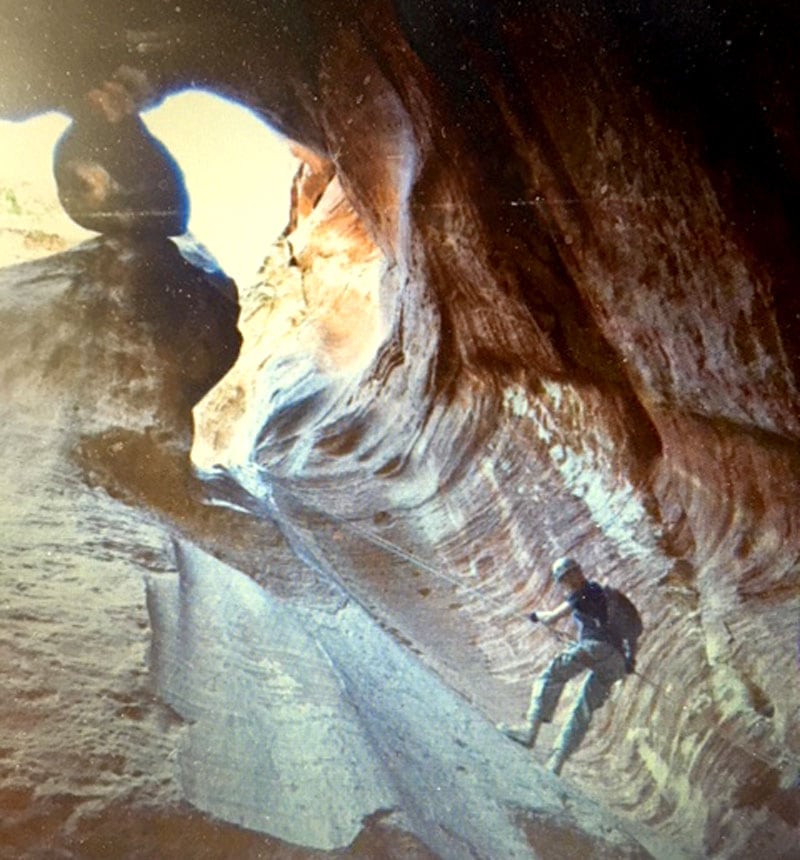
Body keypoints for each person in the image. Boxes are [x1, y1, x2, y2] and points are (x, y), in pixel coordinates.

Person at [498, 556, 640, 775]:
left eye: (566, 577)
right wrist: (630, 658)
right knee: (583, 707)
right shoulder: (603, 593)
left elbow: (552, 617)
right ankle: (557, 762)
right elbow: (632, 630)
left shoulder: (583, 592)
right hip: (616, 661)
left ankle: (530, 731)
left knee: (551, 676)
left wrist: (536, 616)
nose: (569, 581)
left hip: (595, 648)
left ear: (570, 576)